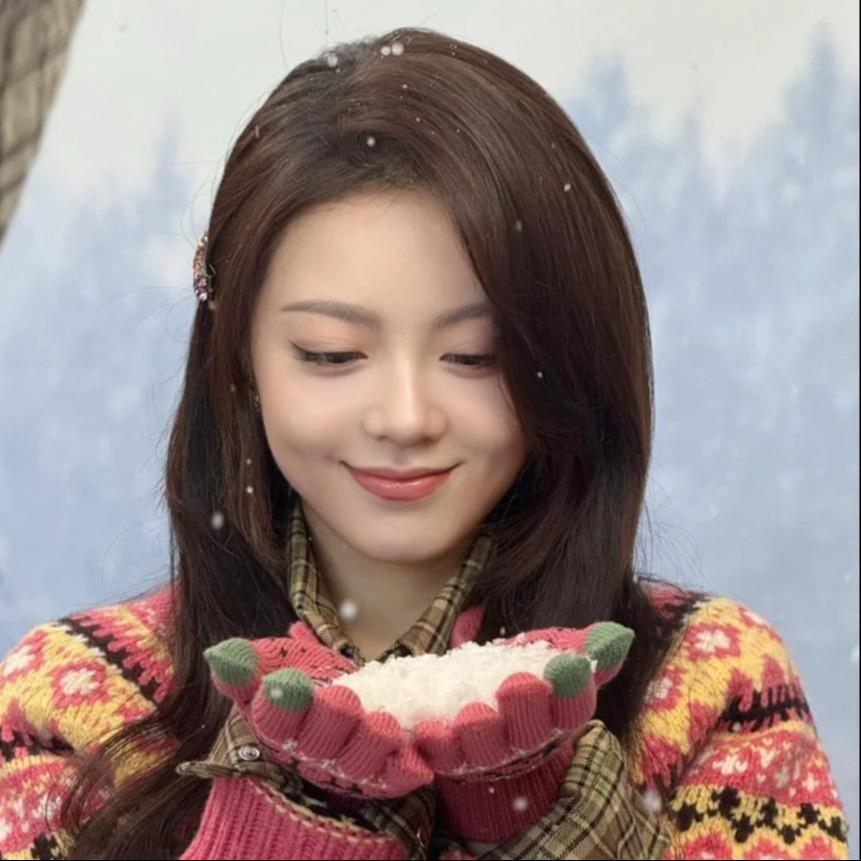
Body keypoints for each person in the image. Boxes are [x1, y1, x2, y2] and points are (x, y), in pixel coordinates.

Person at [0, 26, 849, 861]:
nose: (405, 417)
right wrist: (288, 829)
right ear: (239, 359)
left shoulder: (706, 681)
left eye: (474, 356)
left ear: (571, 362)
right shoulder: (79, 700)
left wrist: (541, 821)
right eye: (331, 353)